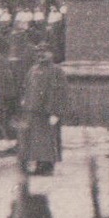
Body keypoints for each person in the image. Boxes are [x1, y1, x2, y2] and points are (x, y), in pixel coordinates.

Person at [18, 45, 66, 175]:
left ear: (51, 54)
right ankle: (39, 164)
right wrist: (24, 101)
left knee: (48, 140)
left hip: (47, 112)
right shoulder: (33, 69)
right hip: (32, 111)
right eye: (39, 52)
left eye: (44, 52)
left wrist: (56, 112)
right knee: (36, 141)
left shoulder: (56, 71)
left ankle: (47, 166)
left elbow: (60, 92)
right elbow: (25, 86)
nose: (41, 54)